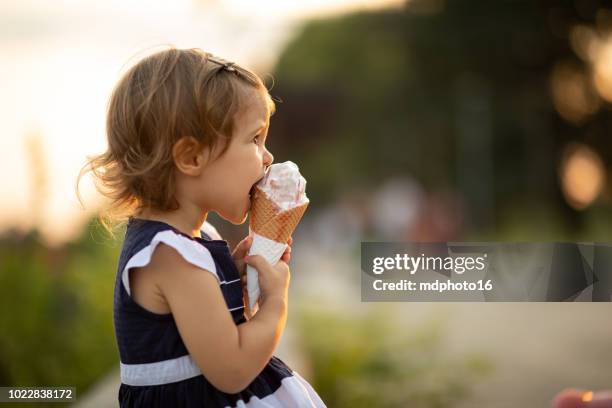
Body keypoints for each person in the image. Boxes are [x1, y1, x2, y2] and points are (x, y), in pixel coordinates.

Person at [77, 47, 326, 407]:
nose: (268, 157)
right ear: (191, 157)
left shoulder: (198, 240)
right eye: (255, 139)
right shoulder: (170, 256)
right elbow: (232, 369)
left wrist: (235, 277)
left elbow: (210, 328)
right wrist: (275, 302)